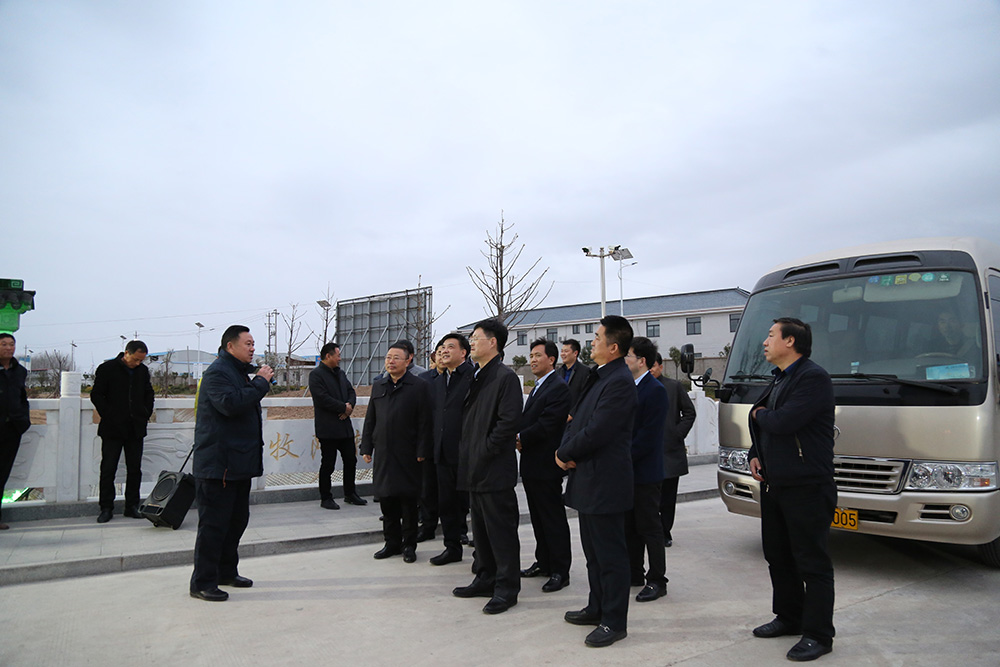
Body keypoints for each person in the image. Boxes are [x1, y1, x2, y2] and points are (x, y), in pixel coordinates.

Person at [748, 317, 836, 662]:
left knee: (812, 562)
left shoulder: (813, 378)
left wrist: (758, 415)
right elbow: (769, 426)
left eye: (771, 335)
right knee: (778, 556)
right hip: (776, 483)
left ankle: (818, 634)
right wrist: (755, 454)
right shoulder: (780, 378)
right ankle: (789, 617)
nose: (765, 341)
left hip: (807, 486)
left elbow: (784, 421)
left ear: (790, 341)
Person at [556, 315, 637, 648]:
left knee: (610, 556)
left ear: (613, 347)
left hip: (605, 481)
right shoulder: (599, 376)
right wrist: (565, 448)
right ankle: (597, 607)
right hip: (588, 478)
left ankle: (614, 621)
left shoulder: (619, 381)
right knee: (593, 553)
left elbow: (598, 430)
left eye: (597, 338)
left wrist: (564, 453)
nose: (592, 343)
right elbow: (575, 420)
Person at [190, 325, 274, 602]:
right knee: (213, 526)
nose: (252, 348)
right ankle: (202, 582)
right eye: (247, 343)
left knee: (236, 522)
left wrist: (256, 382)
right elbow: (229, 404)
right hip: (219, 465)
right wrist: (260, 383)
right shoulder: (217, 373)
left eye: (253, 343)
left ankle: (226, 572)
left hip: (237, 464)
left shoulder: (237, 372)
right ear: (230, 346)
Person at [452, 318, 522, 615]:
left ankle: (507, 588)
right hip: (474, 468)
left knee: (501, 533)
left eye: (476, 338)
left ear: (493, 342)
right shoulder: (477, 375)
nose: (471, 343)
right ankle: (485, 577)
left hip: (493, 469)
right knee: (480, 531)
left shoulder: (505, 378)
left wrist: (484, 450)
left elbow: (508, 423)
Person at [360, 342, 432, 563]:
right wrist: (366, 447)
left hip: (408, 453)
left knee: (408, 502)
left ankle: (409, 545)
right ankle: (391, 543)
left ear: (408, 360)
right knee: (386, 500)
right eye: (388, 358)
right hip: (383, 452)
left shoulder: (419, 386)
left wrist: (422, 449)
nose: (390, 362)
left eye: (396, 358)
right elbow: (371, 418)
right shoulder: (379, 386)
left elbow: (425, 421)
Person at [518, 338, 572, 592]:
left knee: (552, 518)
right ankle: (544, 562)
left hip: (546, 463)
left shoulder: (558, 387)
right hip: (531, 462)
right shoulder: (539, 386)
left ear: (551, 359)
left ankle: (560, 570)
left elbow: (548, 423)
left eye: (538, 355)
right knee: (538, 518)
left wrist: (521, 437)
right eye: (531, 356)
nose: (533, 360)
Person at [623, 336, 668, 603]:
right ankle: (634, 572)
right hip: (628, 472)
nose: (624, 360)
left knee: (650, 527)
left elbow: (647, 437)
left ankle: (657, 579)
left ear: (641, 361)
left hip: (645, 472)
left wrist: (623, 457)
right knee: (630, 526)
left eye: (628, 355)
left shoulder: (655, 390)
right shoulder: (629, 387)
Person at [91, 340, 154, 523]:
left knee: (134, 469)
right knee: (108, 469)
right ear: (126, 353)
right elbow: (96, 394)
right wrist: (108, 414)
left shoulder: (142, 371)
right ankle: (106, 508)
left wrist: (145, 413)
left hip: (135, 427)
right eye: (135, 359)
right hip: (112, 428)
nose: (138, 363)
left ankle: (132, 506)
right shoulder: (107, 369)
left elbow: (148, 393)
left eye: (141, 360)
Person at [427, 333, 474, 566]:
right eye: (442, 347)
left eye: (450, 347)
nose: (444, 351)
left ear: (463, 353)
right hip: (442, 453)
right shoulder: (438, 382)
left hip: (467, 453)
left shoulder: (473, 378)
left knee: (471, 504)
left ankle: (481, 553)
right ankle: (452, 547)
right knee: (446, 503)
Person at [309, 342, 365, 511]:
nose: (340, 359)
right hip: (328, 428)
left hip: (344, 427)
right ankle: (326, 497)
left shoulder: (340, 373)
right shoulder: (316, 375)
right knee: (328, 464)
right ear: (328, 356)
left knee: (351, 460)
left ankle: (350, 493)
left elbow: (351, 392)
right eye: (338, 355)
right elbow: (321, 398)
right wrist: (343, 408)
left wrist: (349, 407)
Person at [652, 353, 696, 547]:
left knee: (667, 498)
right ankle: (650, 532)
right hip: (647, 453)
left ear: (661, 367)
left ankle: (664, 532)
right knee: (649, 498)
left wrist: (677, 433)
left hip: (669, 452)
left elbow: (689, 412)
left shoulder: (673, 387)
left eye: (654, 366)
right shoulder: (636, 387)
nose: (651, 370)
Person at [0, 333, 30, 531]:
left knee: (2, 474)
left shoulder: (20, 371)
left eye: (11, 344)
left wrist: (23, 420)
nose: (8, 348)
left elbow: (21, 397)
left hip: (12, 429)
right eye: (4, 344)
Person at [417, 342, 445, 543]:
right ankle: (428, 526)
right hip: (429, 441)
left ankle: (459, 530)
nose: (443, 355)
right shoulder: (424, 380)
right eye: (440, 352)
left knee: (454, 491)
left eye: (447, 351)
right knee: (427, 488)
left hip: (452, 443)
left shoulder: (464, 379)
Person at [558, 339, 590, 406]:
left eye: (566, 351)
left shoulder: (585, 372)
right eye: (562, 351)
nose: (562, 354)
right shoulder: (558, 372)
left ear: (575, 353)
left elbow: (586, 396)